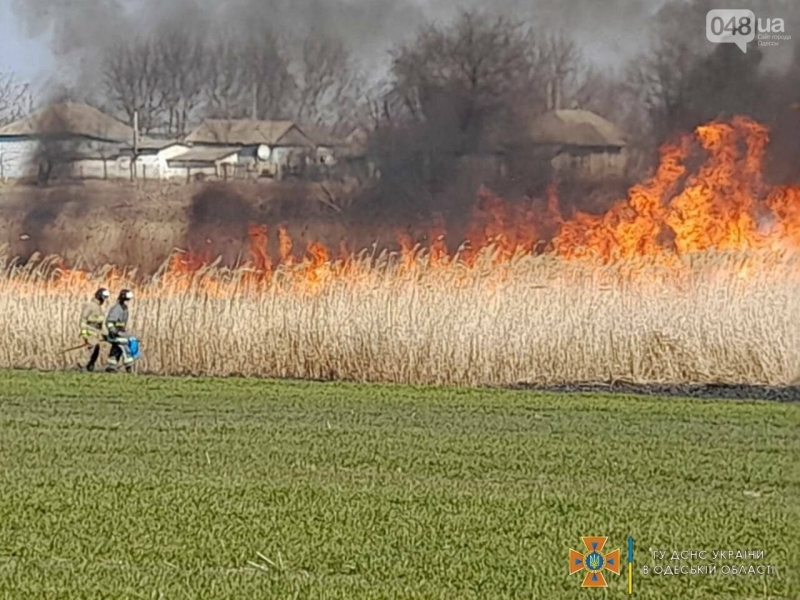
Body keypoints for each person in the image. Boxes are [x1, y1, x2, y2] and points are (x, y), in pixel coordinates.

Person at [78, 287, 110, 372]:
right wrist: (84, 333)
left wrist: (106, 334)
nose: (104, 300)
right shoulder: (90, 306)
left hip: (95, 333)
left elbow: (100, 324)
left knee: (96, 348)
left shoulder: (98, 308)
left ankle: (90, 366)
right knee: (92, 347)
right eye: (103, 298)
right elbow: (83, 320)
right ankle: (82, 364)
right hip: (89, 331)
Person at [105, 289, 135, 372]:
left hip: (121, 332)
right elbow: (109, 322)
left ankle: (111, 367)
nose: (127, 301)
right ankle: (129, 366)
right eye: (126, 299)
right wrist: (113, 331)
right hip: (116, 333)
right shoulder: (116, 309)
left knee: (116, 350)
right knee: (125, 348)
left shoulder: (124, 308)